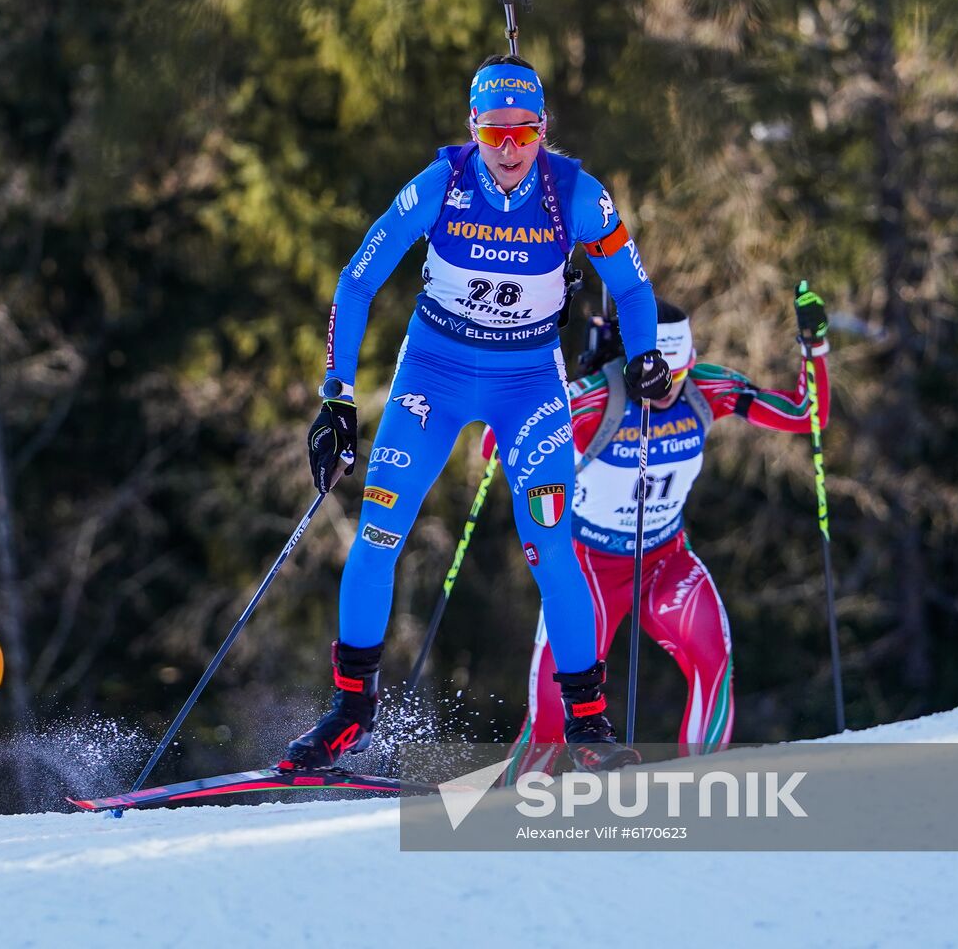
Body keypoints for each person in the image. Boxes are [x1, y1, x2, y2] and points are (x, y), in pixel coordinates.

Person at [285, 54, 674, 774]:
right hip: (431, 377)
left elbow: (634, 287)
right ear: (472, 128)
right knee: (377, 533)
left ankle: (588, 726)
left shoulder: (576, 195)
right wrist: (336, 395)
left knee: (550, 544)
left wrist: (646, 354)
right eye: (494, 134)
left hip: (526, 382)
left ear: (542, 130)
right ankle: (349, 714)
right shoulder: (440, 184)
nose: (508, 150)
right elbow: (357, 278)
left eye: (523, 133)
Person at [493, 287, 831, 781]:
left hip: (664, 558)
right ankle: (507, 800)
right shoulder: (594, 399)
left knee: (712, 659)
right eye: (659, 374)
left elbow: (808, 415)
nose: (669, 387)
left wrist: (814, 348)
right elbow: (498, 441)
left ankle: (701, 783)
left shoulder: (705, 389)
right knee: (552, 715)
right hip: (588, 568)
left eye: (681, 371)